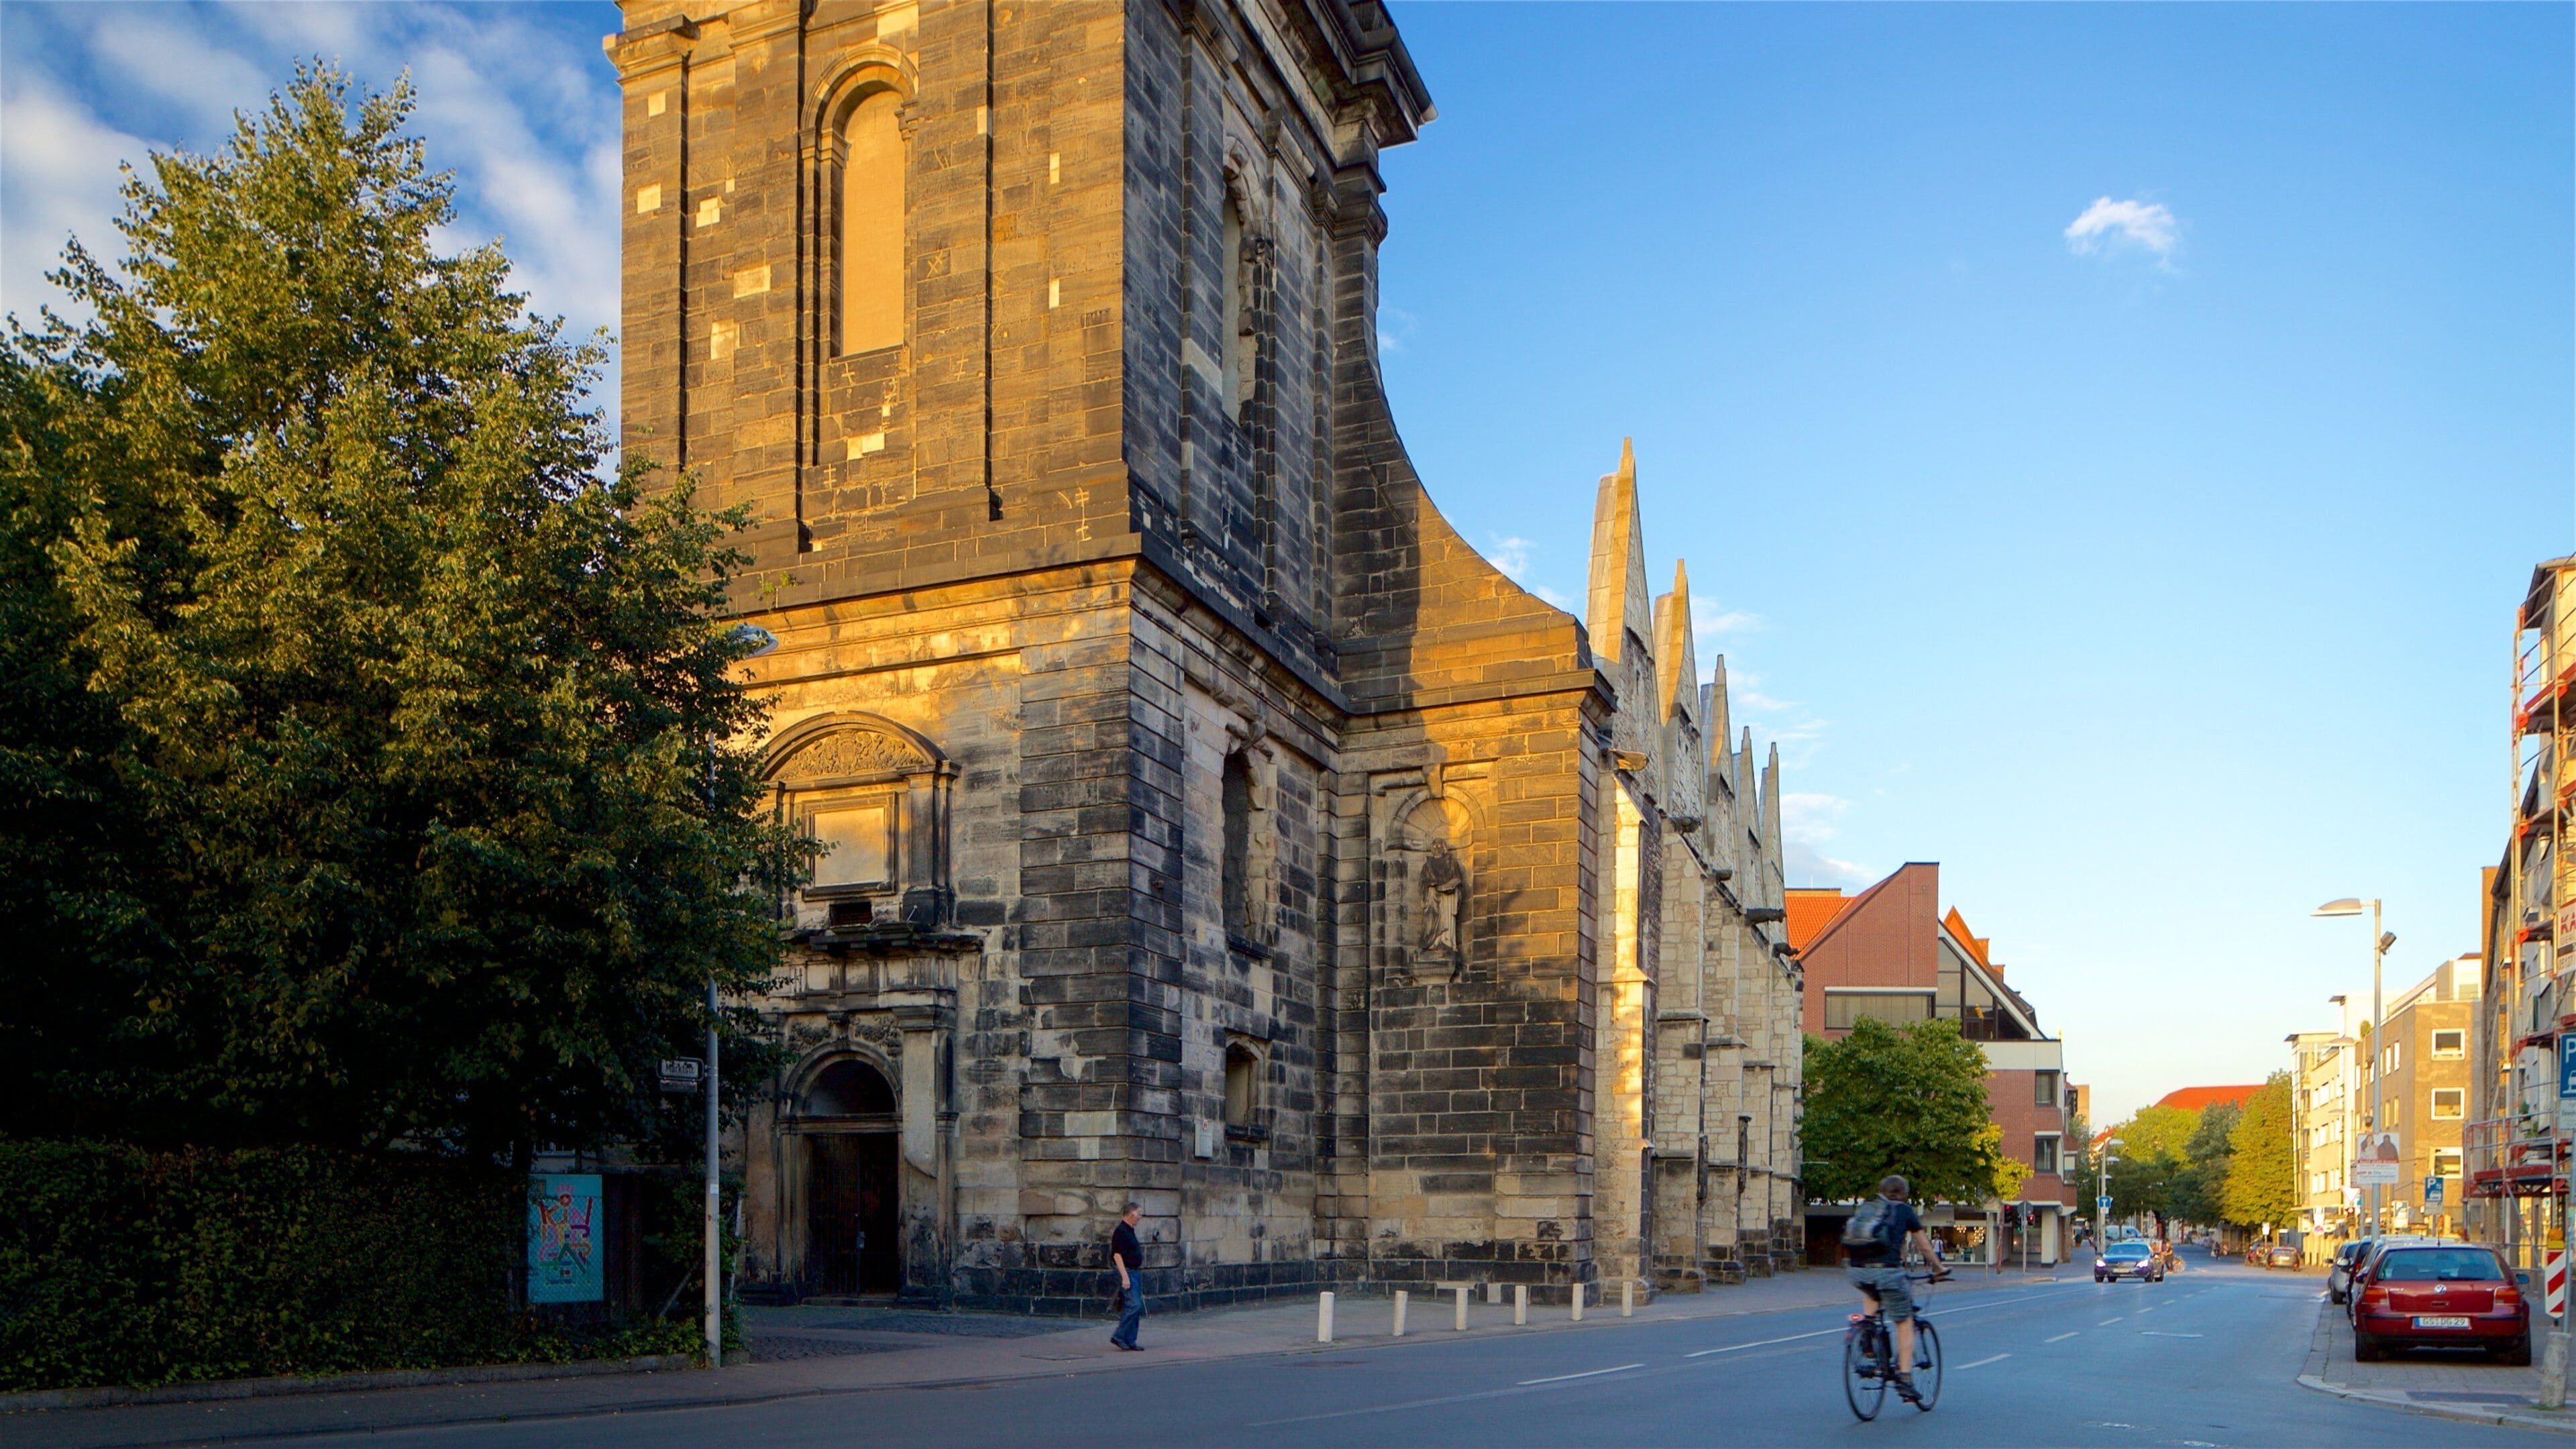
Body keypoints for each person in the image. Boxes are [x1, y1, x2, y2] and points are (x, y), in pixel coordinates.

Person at [1845, 1174, 1946, 1403]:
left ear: (1882, 1191)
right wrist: (1939, 1269)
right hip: (1888, 1272)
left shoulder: (1868, 1207)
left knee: (1872, 1291)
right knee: (1904, 1322)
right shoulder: (1904, 1211)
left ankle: (1867, 1333)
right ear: (1904, 1194)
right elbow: (1925, 1247)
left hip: (1857, 1271)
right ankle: (1905, 1378)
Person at [1108, 1203, 1145, 1351]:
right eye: (1139, 1214)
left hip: (1134, 1271)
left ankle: (1130, 1340)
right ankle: (1119, 1336)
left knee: (1134, 1306)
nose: (1140, 1217)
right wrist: (1124, 1277)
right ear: (1131, 1215)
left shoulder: (1129, 1230)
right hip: (1128, 1272)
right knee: (1134, 1305)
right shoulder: (1121, 1232)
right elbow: (1117, 1256)